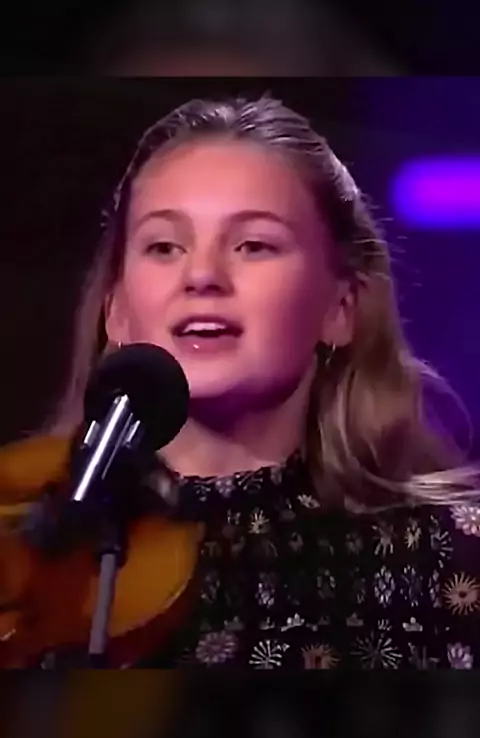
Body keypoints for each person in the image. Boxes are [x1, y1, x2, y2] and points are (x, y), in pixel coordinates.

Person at [4, 94, 480, 670]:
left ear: (340, 307)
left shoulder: (451, 559)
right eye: (164, 247)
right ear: (117, 311)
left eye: (253, 245)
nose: (202, 276)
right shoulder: (23, 545)